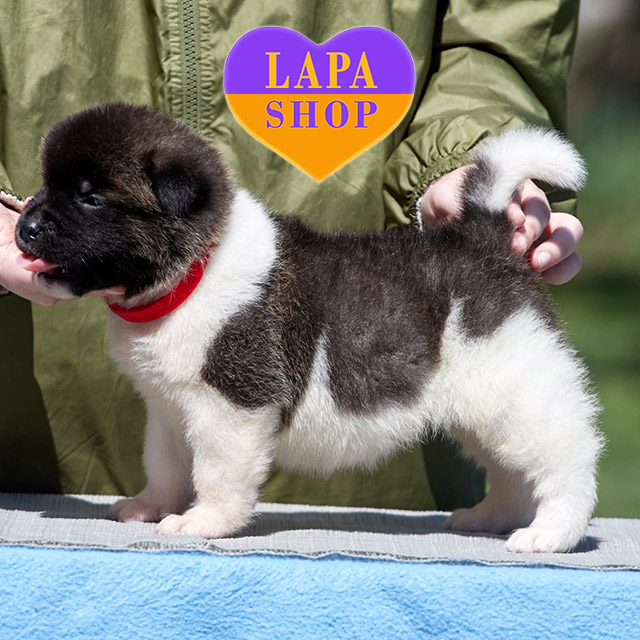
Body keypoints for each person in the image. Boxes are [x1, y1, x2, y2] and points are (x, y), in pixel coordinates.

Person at [0, 0, 583, 511]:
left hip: (408, 381)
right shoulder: (172, 290)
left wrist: (461, 153)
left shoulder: (228, 287)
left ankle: (563, 495)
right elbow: (176, 410)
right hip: (44, 462)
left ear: (175, 203)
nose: (38, 215)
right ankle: (164, 495)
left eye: (88, 199)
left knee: (500, 404)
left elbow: (498, 37)